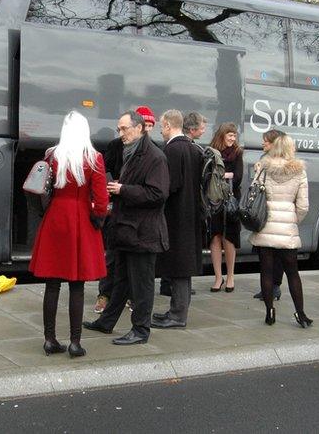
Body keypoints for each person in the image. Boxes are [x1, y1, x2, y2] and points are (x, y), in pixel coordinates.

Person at [83, 110, 169, 345]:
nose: (120, 133)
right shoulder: (128, 152)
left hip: (144, 233)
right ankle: (107, 322)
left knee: (142, 285)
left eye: (124, 129)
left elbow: (158, 194)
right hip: (127, 230)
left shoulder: (155, 157)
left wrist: (123, 190)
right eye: (119, 129)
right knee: (120, 280)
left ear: (139, 128)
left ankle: (141, 330)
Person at [29, 111, 108, 357]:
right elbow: (102, 199)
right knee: (77, 285)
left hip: (55, 217)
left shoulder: (52, 155)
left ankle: (49, 339)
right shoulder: (94, 158)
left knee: (52, 284)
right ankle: (75, 342)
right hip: (81, 218)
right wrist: (99, 218)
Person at [95, 104, 157, 312]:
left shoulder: (153, 153)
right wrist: (111, 187)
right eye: (146, 123)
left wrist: (125, 189)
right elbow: (103, 170)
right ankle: (105, 295)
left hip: (135, 215)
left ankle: (130, 301)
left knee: (132, 265)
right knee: (113, 258)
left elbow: (156, 191)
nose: (148, 128)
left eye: (150, 125)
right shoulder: (116, 146)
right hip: (118, 210)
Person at [249, 133, 312, 327]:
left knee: (266, 271)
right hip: (287, 227)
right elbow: (303, 206)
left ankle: (269, 313)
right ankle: (300, 314)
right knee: (292, 272)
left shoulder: (262, 168)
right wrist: (293, 220)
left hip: (265, 226)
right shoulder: (299, 171)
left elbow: (253, 195)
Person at [153, 110, 204, 328]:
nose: (160, 130)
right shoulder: (193, 149)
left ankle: (177, 315)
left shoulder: (172, 149)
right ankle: (175, 311)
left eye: (161, 126)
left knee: (179, 267)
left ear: (167, 125)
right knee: (182, 266)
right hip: (191, 215)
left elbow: (170, 185)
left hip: (176, 216)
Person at [207, 122, 243, 293]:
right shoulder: (211, 152)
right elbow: (208, 175)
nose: (232, 138)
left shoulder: (237, 153)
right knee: (215, 238)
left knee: (229, 238)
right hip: (214, 200)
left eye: (234, 135)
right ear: (222, 135)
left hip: (231, 201)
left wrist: (222, 176)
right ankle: (217, 277)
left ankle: (230, 277)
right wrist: (225, 175)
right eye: (229, 134)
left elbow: (238, 178)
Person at [252, 129, 284, 302]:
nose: (263, 143)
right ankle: (267, 287)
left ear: (274, 143)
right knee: (265, 252)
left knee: (276, 253)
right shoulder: (264, 160)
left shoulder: (281, 163)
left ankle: (274, 287)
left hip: (275, 214)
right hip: (266, 213)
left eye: (266, 141)